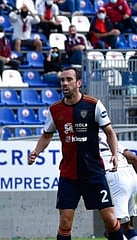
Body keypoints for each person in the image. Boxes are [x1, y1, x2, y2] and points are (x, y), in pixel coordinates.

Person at [27, 67, 124, 240]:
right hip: (69, 174)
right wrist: (36, 152)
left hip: (94, 172)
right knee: (65, 222)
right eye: (62, 80)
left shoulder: (94, 105)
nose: (64, 83)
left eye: (69, 79)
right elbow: (46, 135)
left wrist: (114, 154)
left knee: (109, 219)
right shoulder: (55, 110)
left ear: (78, 83)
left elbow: (109, 132)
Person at [99, 132, 137, 240]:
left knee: (112, 229)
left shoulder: (85, 140)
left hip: (114, 176)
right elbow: (133, 158)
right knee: (127, 226)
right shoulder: (106, 136)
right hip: (131, 175)